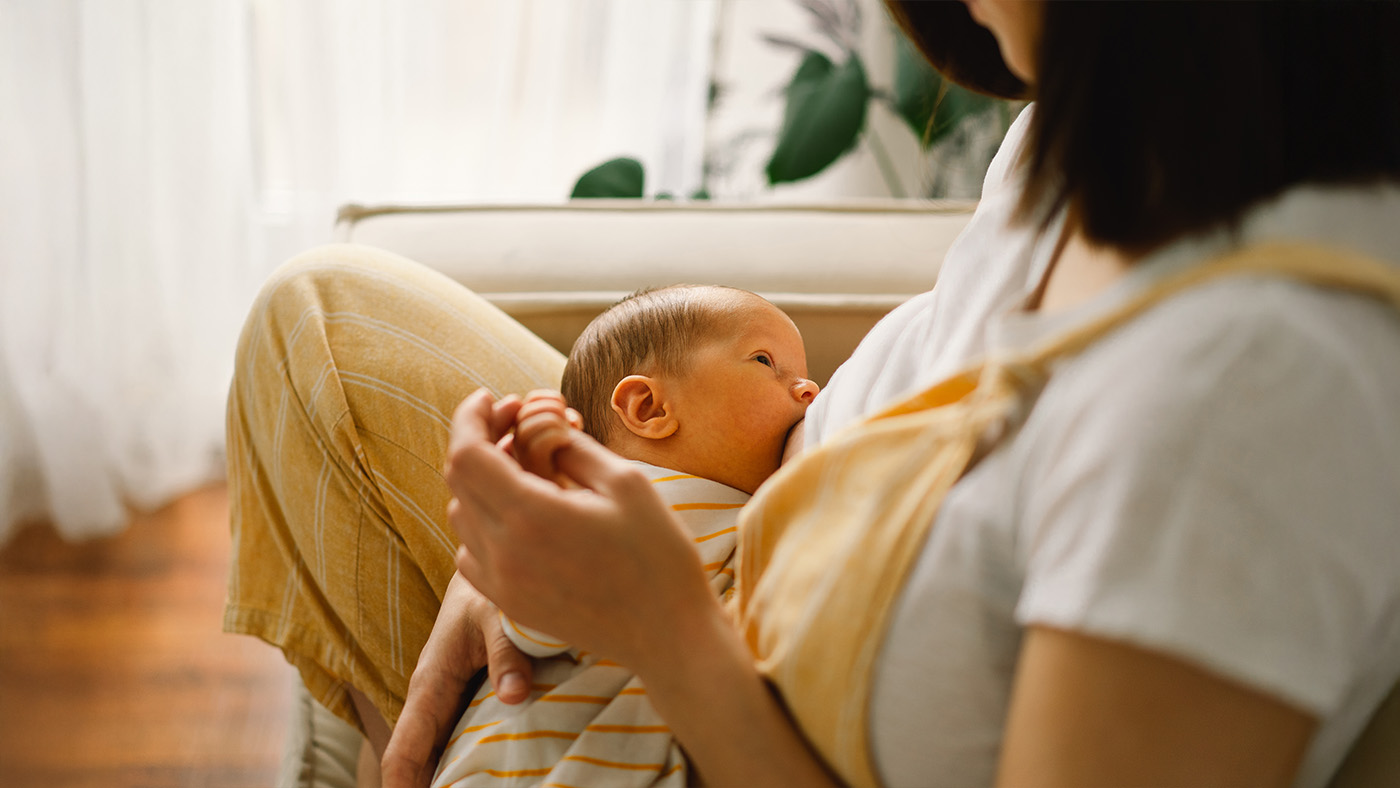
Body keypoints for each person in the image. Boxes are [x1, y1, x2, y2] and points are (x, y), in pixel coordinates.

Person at [222, 2, 1400, 787]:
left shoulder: (1253, 392)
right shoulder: (1090, 135)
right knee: (319, 326)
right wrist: (530, 558)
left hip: (730, 688)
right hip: (726, 516)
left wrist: (660, 632)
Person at [430, 285, 817, 786]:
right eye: (766, 361)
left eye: (806, 375)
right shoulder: (613, 508)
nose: (809, 389)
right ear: (648, 408)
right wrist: (540, 476)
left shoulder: (749, 517)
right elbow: (534, 615)